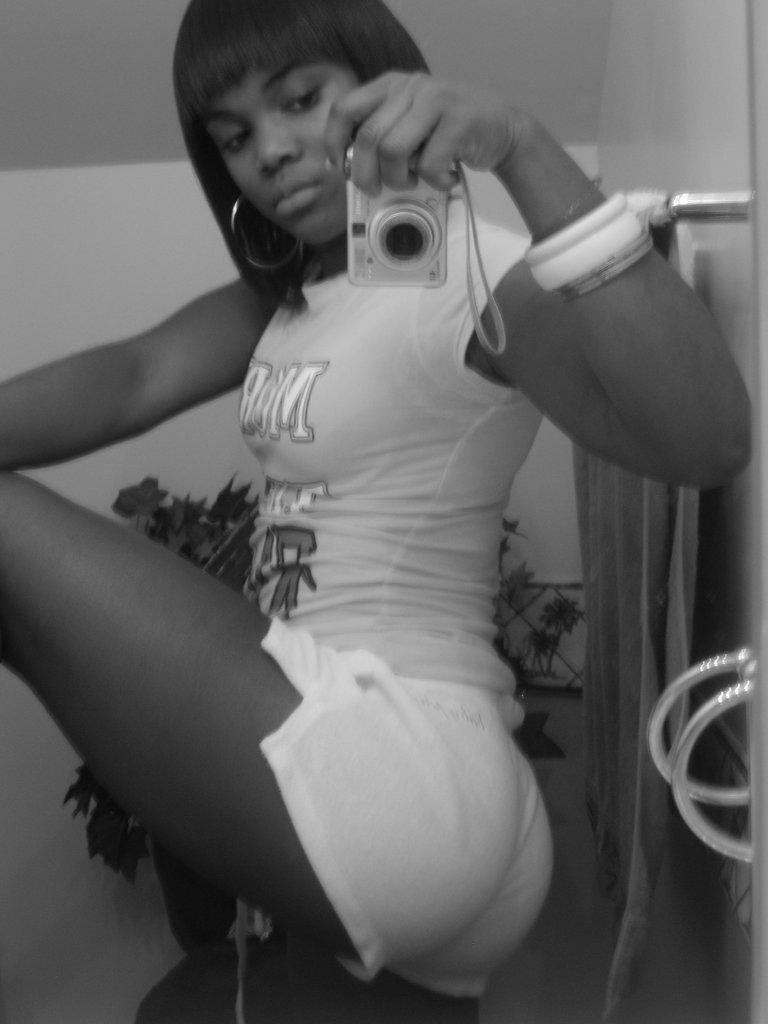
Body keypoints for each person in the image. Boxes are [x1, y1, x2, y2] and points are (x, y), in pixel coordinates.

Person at [0, 0, 751, 1021]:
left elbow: (706, 439)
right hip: (342, 751)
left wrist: (521, 144)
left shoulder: (476, 269)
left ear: (386, 79)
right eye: (233, 135)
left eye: (300, 99)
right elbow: (131, 378)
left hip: (406, 757)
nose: (269, 151)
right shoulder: (291, 299)